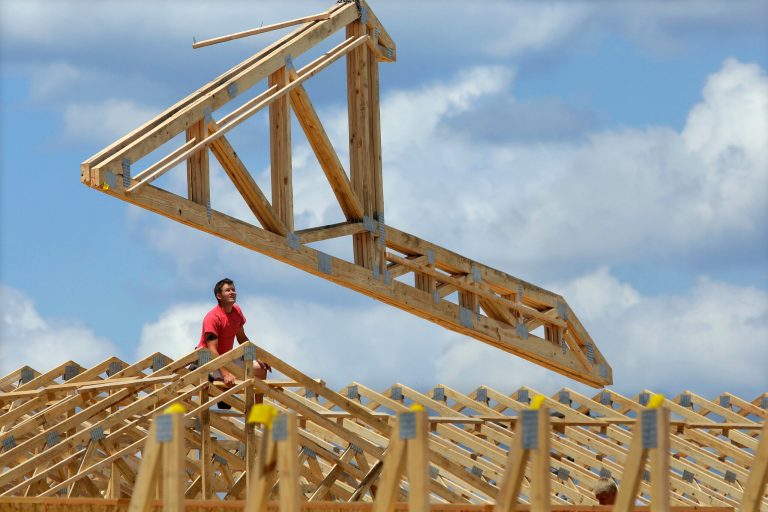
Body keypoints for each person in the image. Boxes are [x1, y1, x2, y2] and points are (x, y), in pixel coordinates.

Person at [197, 278, 270, 407]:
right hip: (207, 360)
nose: (232, 292)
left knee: (260, 368)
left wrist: (258, 357)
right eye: (228, 290)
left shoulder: (236, 312)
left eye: (233, 290)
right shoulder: (213, 318)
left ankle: (259, 411)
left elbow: (242, 338)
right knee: (223, 386)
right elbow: (211, 350)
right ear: (219, 296)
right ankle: (217, 384)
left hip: (227, 359)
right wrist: (226, 374)